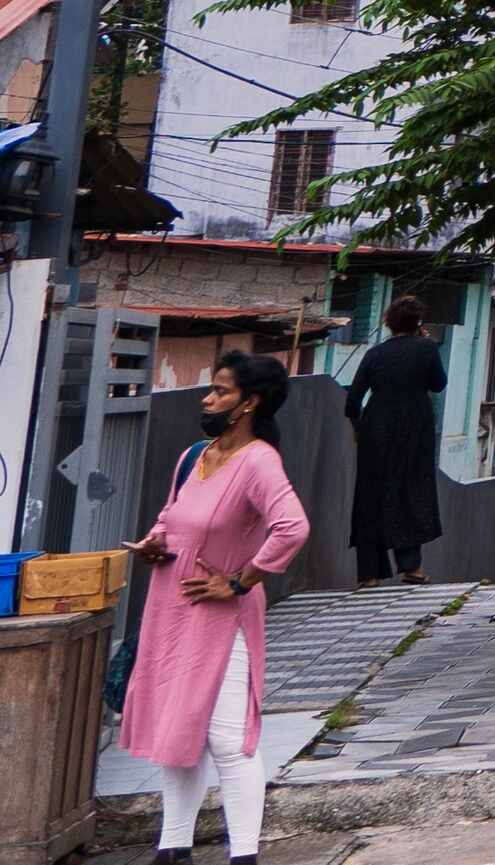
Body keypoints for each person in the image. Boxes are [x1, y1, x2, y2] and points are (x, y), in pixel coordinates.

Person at [129, 347, 309, 865]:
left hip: (220, 619)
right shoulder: (196, 455)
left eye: (221, 391)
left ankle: (243, 856)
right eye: (211, 388)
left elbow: (292, 526)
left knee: (229, 742)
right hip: (170, 612)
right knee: (176, 728)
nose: (208, 398)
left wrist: (239, 581)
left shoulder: (258, 461)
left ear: (249, 403)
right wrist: (155, 543)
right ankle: (172, 849)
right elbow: (171, 516)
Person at [346, 298, 447, 585]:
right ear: (417, 323)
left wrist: (359, 429)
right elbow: (437, 384)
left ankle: (369, 575)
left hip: (375, 429)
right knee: (410, 491)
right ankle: (411, 567)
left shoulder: (375, 354)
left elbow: (353, 402)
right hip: (414, 427)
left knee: (370, 496)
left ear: (389, 322)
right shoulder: (426, 348)